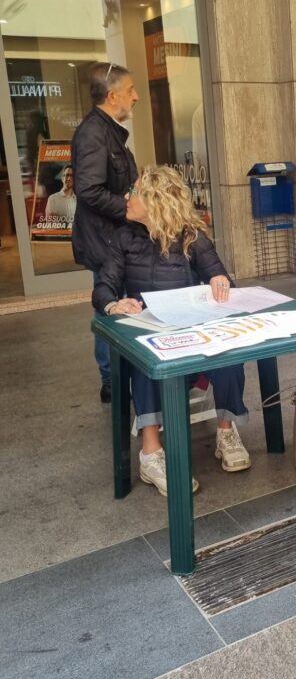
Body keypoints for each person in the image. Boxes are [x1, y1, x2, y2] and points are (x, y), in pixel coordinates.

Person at [93, 166, 251, 497]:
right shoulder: (123, 238)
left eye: (133, 192)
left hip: (190, 333)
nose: (126, 197)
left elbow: (221, 278)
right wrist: (113, 305)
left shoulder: (193, 236)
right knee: (148, 362)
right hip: (150, 334)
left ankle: (226, 431)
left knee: (230, 356)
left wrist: (220, 282)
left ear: (154, 201)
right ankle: (150, 454)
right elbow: (103, 287)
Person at [72, 63, 139, 403]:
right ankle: (112, 383)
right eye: (130, 91)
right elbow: (89, 191)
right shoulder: (93, 134)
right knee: (109, 308)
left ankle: (121, 377)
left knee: (119, 306)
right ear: (113, 96)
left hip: (114, 237)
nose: (136, 97)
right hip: (103, 241)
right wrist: (128, 207)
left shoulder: (109, 130)